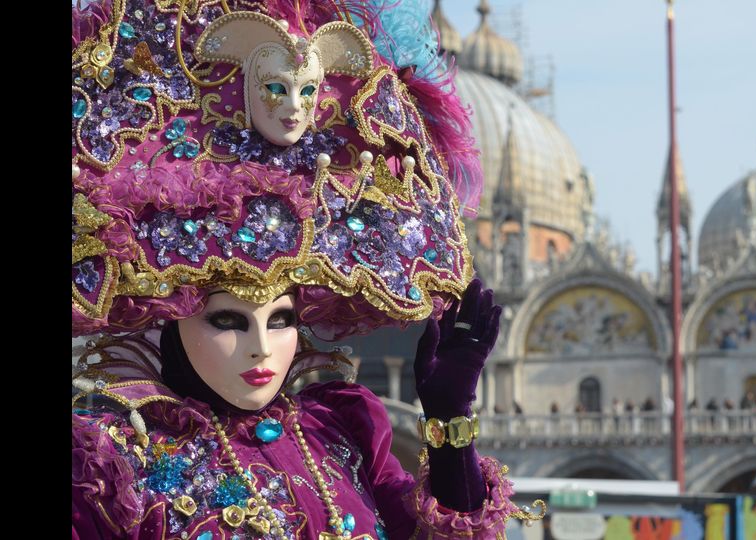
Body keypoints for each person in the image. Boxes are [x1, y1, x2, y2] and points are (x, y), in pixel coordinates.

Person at [70, 1, 543, 537]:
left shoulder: (339, 432)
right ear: (172, 320)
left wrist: (449, 421)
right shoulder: (113, 463)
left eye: (280, 321)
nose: (261, 348)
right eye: (228, 321)